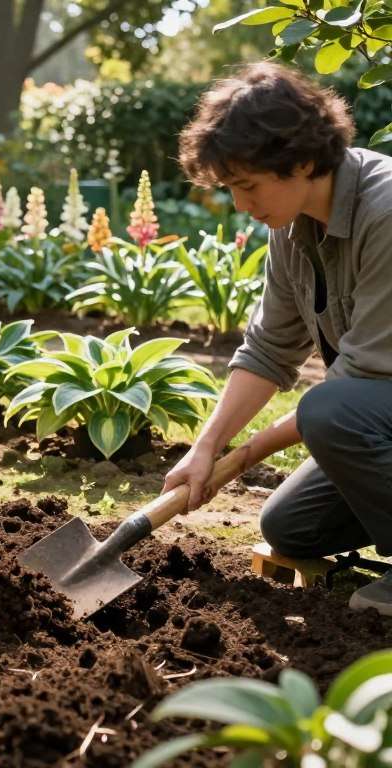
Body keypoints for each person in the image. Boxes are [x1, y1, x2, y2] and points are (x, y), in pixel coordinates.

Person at [165, 61, 392, 614]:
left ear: (305, 160)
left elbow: (363, 376)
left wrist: (243, 457)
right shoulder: (291, 228)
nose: (241, 205)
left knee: (330, 410)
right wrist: (206, 447)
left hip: (374, 395)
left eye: (248, 186)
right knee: (291, 526)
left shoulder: (385, 212)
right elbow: (269, 349)